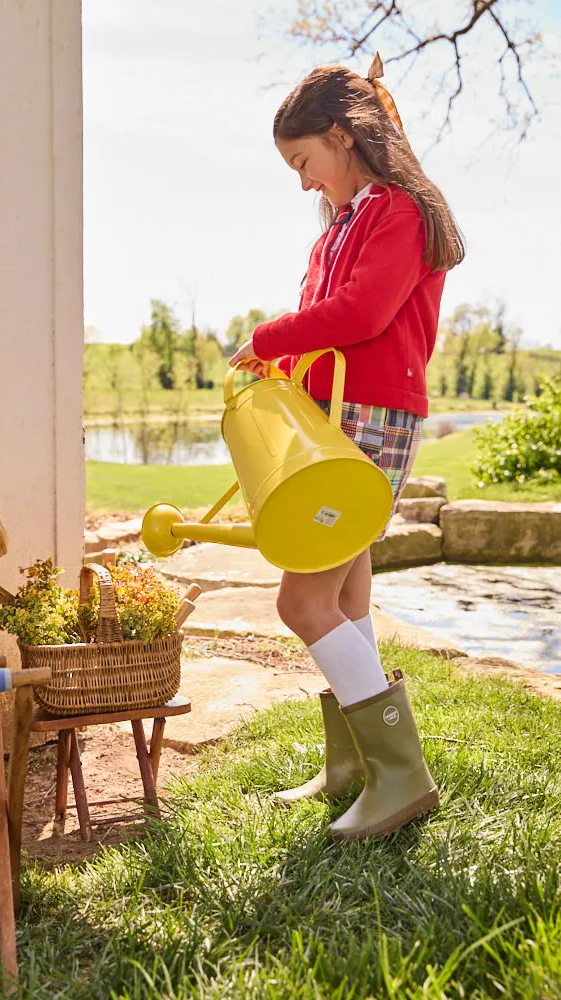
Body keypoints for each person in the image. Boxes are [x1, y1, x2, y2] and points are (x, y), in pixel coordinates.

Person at [228, 55, 464, 841]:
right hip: (335, 419)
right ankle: (355, 766)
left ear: (342, 136)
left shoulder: (396, 212)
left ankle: (402, 778)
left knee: (300, 600)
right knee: (347, 598)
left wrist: (265, 338)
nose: (301, 182)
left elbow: (361, 314)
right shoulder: (345, 222)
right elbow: (326, 315)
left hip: (370, 419)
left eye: (303, 162)